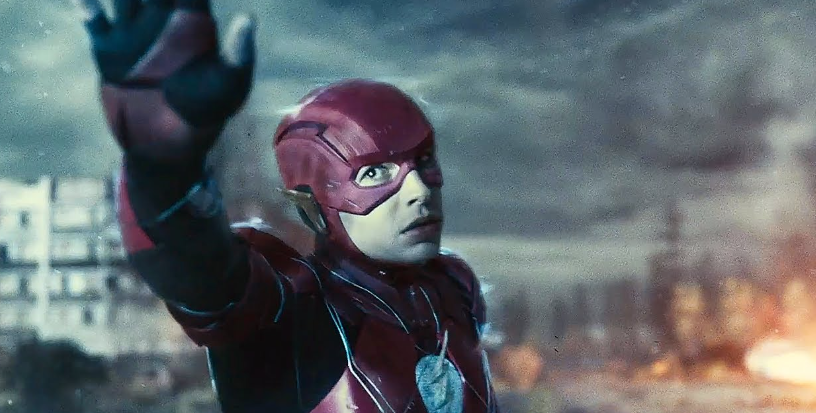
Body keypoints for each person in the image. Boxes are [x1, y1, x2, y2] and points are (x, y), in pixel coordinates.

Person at [72, 0, 500, 412]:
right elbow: (201, 271)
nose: (419, 190)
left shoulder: (452, 289)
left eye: (423, 160)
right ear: (313, 203)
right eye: (374, 173)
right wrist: (160, 165)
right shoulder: (292, 307)